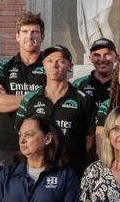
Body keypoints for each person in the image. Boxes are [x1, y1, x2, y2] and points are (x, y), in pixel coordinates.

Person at [18, 45, 98, 175]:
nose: (54, 65)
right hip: (38, 172)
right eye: (50, 61)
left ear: (70, 66)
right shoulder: (30, 100)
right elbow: (22, 133)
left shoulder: (83, 100)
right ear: (43, 64)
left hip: (72, 171)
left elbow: (90, 139)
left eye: (61, 61)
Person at [0, 12, 46, 165]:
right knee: (1, 188)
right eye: (25, 32)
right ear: (17, 36)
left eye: (35, 32)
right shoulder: (4, 66)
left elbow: (52, 99)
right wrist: (37, 98)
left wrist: (7, 99)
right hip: (6, 145)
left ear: (42, 37)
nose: (30, 36)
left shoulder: (50, 65)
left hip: (41, 145)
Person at [73, 38, 117, 109]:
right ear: (90, 58)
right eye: (97, 55)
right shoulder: (78, 85)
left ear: (116, 57)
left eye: (107, 54)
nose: (102, 59)